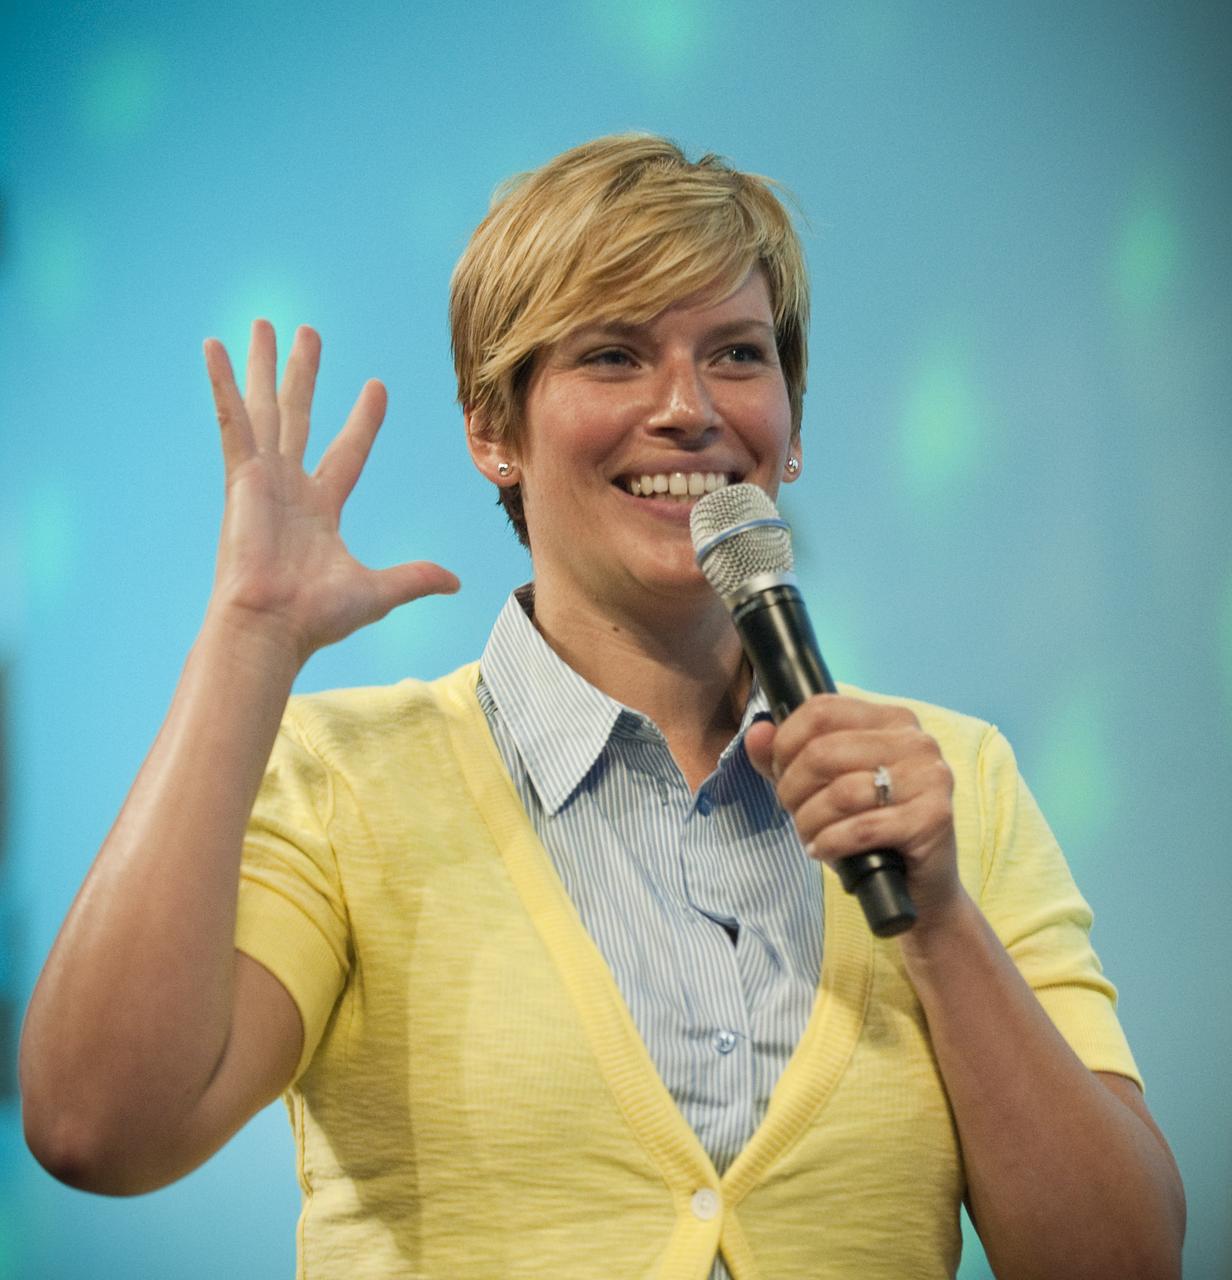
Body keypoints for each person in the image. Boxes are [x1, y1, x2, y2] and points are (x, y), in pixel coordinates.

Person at [21, 135, 1184, 1279]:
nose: (688, 407)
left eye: (736, 354)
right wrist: (248, 637)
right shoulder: (346, 779)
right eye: (615, 355)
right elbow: (97, 1128)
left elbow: (1122, 1257)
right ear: (493, 429)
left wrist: (932, 917)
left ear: (791, 417)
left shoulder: (946, 779)